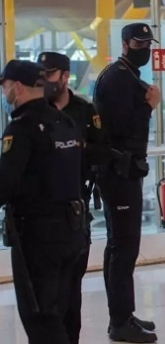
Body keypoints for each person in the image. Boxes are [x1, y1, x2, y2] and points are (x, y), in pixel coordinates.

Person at [0, 60, 87, 343]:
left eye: (4, 87)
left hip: (37, 239)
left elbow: (6, 185)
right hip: (73, 232)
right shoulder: (66, 122)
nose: (4, 94)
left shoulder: (21, 128)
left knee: (40, 319)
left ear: (17, 87)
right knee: (62, 314)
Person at [93, 23, 160, 342]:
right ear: (124, 43)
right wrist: (148, 106)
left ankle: (122, 314)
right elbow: (121, 126)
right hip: (118, 172)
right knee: (124, 246)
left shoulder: (126, 74)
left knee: (120, 245)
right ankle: (120, 321)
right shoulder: (119, 77)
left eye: (148, 42)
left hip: (125, 171)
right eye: (138, 42)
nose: (144, 47)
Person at [38, 52, 111, 344]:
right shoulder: (35, 112)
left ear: (65, 76)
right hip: (42, 214)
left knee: (71, 291)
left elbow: (102, 151)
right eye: (41, 74)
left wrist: (74, 150)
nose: (44, 80)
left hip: (75, 211)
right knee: (45, 296)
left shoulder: (83, 111)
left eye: (50, 74)